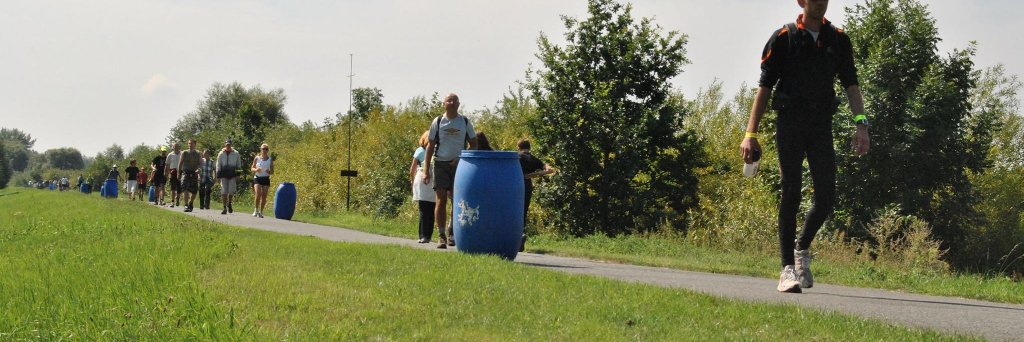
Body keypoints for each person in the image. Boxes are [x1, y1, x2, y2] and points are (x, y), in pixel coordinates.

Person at [740, 0, 870, 293]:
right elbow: (765, 87)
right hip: (790, 123)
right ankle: (787, 269)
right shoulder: (784, 37)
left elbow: (851, 84)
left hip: (821, 125)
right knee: (791, 190)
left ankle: (802, 249)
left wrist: (861, 125)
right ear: (802, 1)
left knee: (826, 195)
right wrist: (750, 133)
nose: (820, 2)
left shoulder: (838, 38)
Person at [423, 93, 477, 249]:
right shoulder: (438, 121)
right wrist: (426, 170)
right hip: (440, 164)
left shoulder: (465, 122)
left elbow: (474, 144)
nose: (452, 103)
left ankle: (452, 232)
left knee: (456, 199)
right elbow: (430, 146)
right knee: (441, 199)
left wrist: (462, 158)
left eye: (455, 100)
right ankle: (441, 236)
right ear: (444, 104)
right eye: (449, 100)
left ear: (459, 104)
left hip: (459, 166)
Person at [517, 139, 556, 252]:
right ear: (529, 148)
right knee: (523, 211)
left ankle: (514, 237)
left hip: (514, 185)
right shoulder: (533, 159)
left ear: (518, 147)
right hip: (527, 186)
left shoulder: (516, 157)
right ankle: (521, 235)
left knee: (513, 211)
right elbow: (547, 168)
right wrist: (541, 172)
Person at [409, 131, 436, 243]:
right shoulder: (436, 152)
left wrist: (412, 181)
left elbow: (412, 169)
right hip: (433, 179)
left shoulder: (420, 151)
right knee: (431, 208)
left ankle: (423, 235)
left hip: (422, 180)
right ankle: (427, 235)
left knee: (424, 209)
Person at [216, 138, 242, 215]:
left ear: (231, 145)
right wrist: (218, 175)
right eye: (227, 144)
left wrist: (238, 175)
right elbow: (218, 164)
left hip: (232, 175)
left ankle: (229, 203)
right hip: (223, 175)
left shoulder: (236, 154)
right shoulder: (221, 153)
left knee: (231, 191)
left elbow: (239, 165)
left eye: (229, 144)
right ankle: (224, 207)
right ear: (225, 145)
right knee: (224, 191)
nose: (228, 146)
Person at [178, 139, 202, 212]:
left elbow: (200, 163)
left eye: (191, 143)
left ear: (195, 144)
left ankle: (191, 202)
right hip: (185, 172)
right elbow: (180, 163)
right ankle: (185, 205)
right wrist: (178, 173)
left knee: (194, 191)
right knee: (185, 188)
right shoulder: (184, 152)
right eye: (189, 143)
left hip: (194, 173)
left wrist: (199, 169)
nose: (190, 145)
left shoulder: (198, 153)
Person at [250, 143, 274, 218]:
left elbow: (272, 171)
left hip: (266, 179)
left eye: (266, 149)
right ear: (261, 149)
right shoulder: (257, 158)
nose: (264, 150)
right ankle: (255, 210)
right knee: (258, 194)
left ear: (268, 150)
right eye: (263, 149)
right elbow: (252, 168)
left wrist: (269, 171)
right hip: (257, 178)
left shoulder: (270, 159)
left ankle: (261, 212)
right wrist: (256, 169)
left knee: (264, 196)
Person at [165, 142, 182, 208]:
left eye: (177, 146)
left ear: (179, 147)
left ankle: (177, 197)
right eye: (175, 146)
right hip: (172, 172)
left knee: (179, 187)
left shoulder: (182, 153)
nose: (176, 147)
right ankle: (172, 202)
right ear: (173, 147)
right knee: (173, 187)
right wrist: (166, 172)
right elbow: (167, 164)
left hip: (180, 171)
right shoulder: (170, 155)